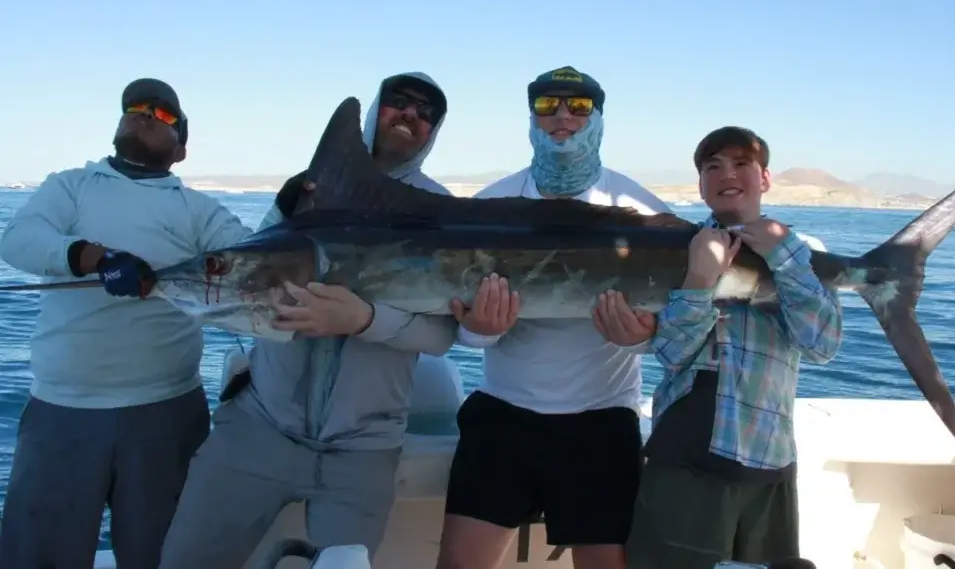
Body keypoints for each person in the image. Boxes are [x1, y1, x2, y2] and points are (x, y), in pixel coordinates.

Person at [158, 72, 505, 569]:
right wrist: (281, 211)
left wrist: (364, 319)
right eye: (399, 102)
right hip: (258, 431)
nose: (411, 115)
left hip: (362, 451)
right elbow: (250, 281)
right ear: (374, 112)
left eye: (425, 113)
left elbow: (439, 336)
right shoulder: (308, 190)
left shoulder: (440, 213)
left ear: (434, 131)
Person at [0, 78, 254, 569]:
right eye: (136, 106)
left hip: (167, 411)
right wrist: (91, 257)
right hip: (62, 409)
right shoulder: (70, 185)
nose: (143, 114)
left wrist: (290, 210)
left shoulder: (200, 210)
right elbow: (19, 239)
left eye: (161, 115)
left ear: (180, 148)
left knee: (160, 557)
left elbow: (248, 257)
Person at [435, 66, 676, 569]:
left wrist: (641, 339)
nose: (563, 116)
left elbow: (681, 319)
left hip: (602, 421)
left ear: (598, 117)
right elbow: (457, 322)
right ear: (531, 117)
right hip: (504, 415)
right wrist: (478, 331)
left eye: (579, 106)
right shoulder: (490, 206)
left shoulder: (639, 208)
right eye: (548, 106)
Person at [621, 126, 844, 569]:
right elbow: (672, 353)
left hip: (770, 457)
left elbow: (822, 345)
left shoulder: (803, 252)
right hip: (686, 458)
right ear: (701, 185)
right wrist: (700, 280)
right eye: (713, 166)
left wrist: (782, 256)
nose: (728, 174)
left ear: (765, 178)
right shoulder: (676, 250)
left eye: (742, 163)